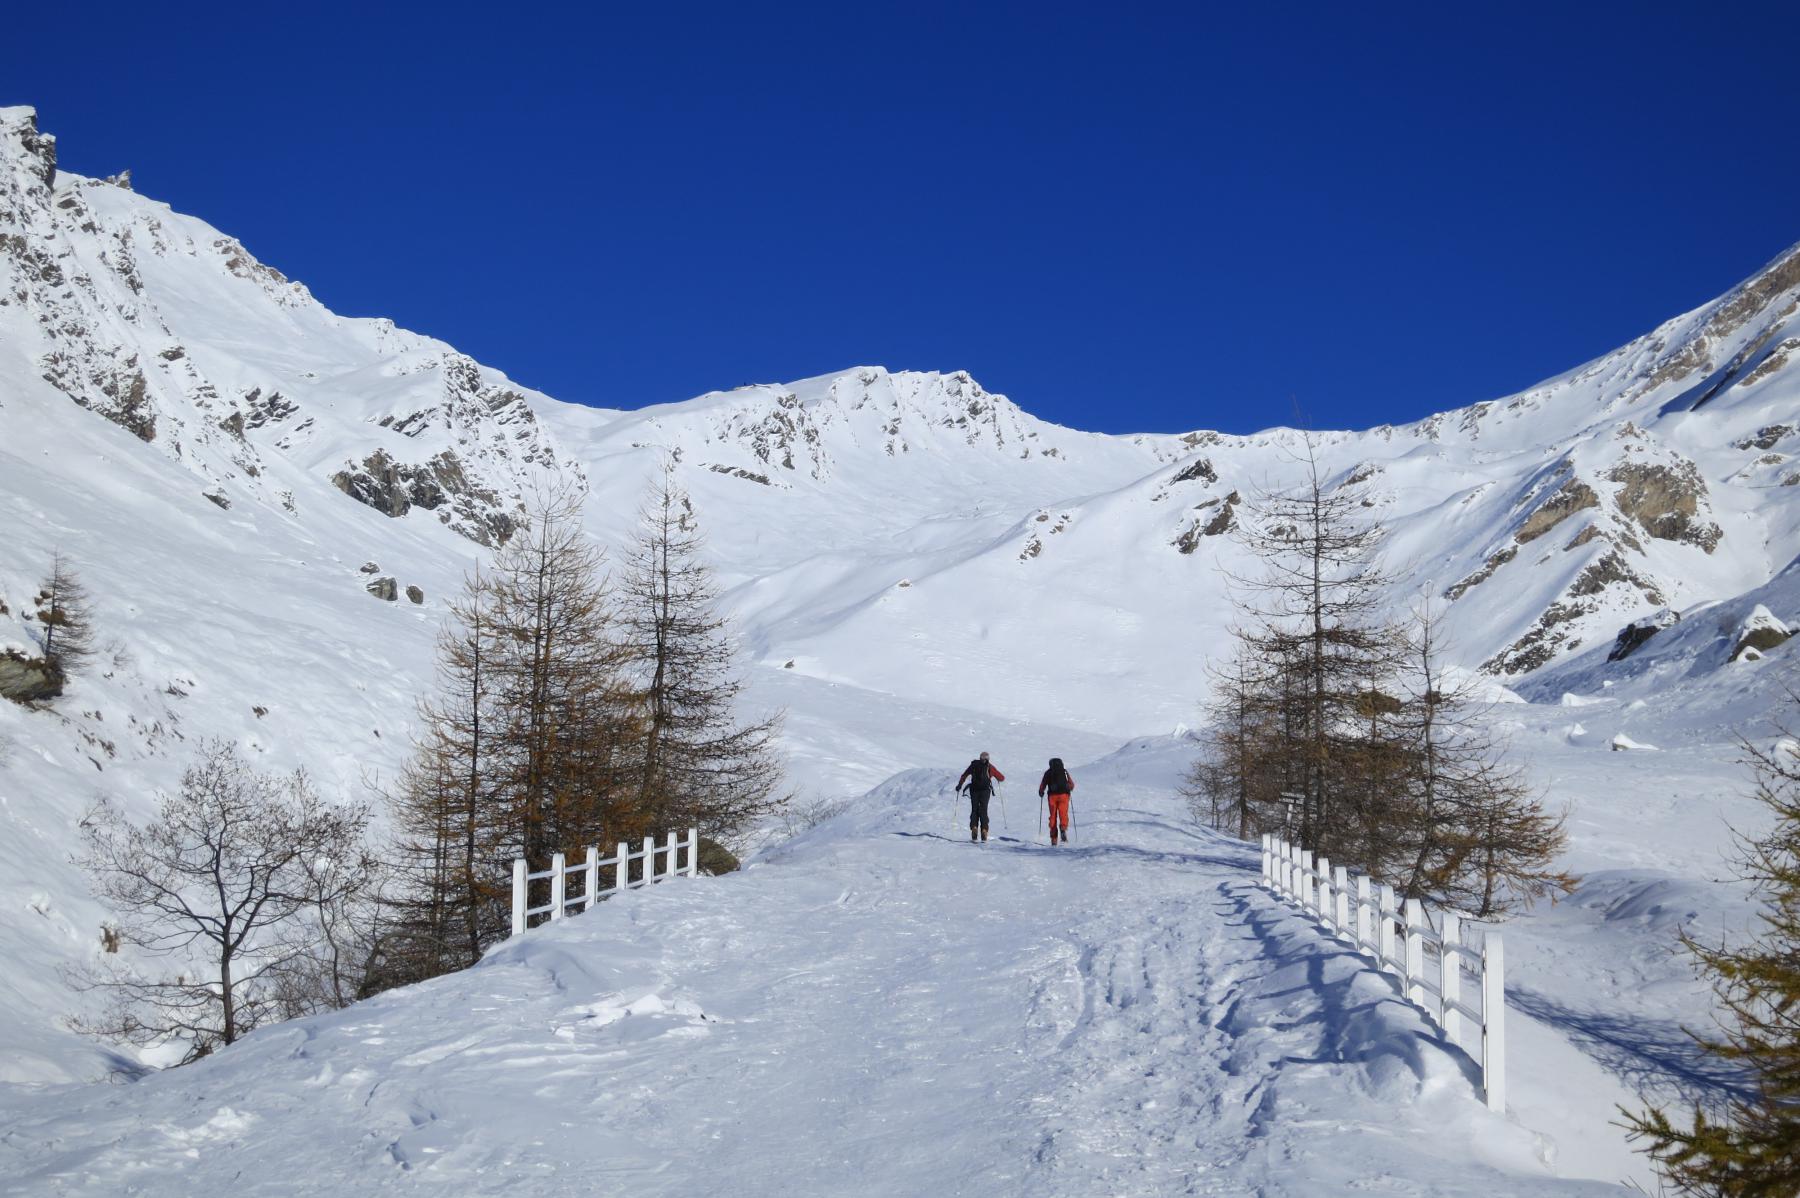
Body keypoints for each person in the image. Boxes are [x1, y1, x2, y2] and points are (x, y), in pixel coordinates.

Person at [957, 751, 1005, 841]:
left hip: (974, 790)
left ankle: (974, 827)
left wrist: (960, 785)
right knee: (983, 809)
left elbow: (964, 775)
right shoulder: (990, 767)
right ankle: (984, 830)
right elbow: (1001, 778)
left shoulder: (974, 765)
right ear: (988, 759)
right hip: (985, 791)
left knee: (974, 809)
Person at [1039, 757, 1075, 845]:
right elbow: (1072, 785)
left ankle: (1054, 840)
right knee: (1063, 814)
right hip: (1064, 796)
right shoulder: (1064, 772)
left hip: (1052, 796)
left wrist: (1041, 792)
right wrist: (1069, 789)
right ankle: (1063, 828)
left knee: (1053, 816)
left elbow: (1043, 784)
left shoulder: (1048, 772)